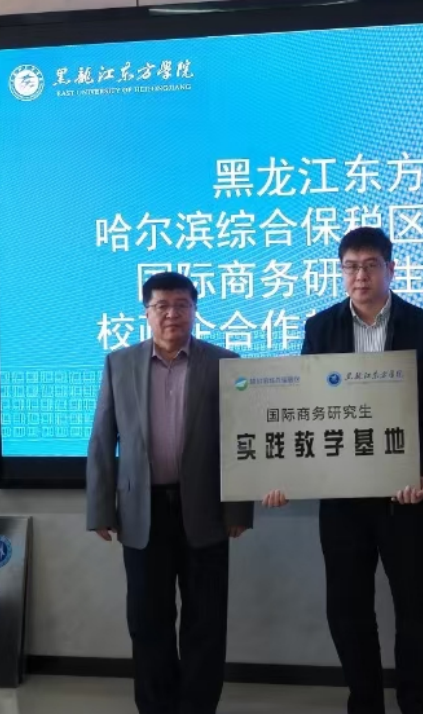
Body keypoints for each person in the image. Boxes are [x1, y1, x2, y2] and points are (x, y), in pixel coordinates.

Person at [263, 227, 423, 714]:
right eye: (350, 266)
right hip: (342, 496)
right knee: (347, 609)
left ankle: (418, 703)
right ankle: (364, 702)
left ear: (391, 269)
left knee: (416, 608)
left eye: (370, 265)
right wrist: (286, 471)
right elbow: (306, 406)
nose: (360, 275)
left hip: (405, 495)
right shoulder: (320, 327)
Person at [86, 271, 254, 715]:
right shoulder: (119, 363)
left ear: (195, 311)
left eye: (182, 305)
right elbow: (102, 439)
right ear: (146, 313)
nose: (172, 314)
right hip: (143, 512)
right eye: (161, 306)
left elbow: (240, 439)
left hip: (206, 511)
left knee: (206, 622)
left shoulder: (224, 362)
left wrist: (239, 509)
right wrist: (100, 508)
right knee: (148, 621)